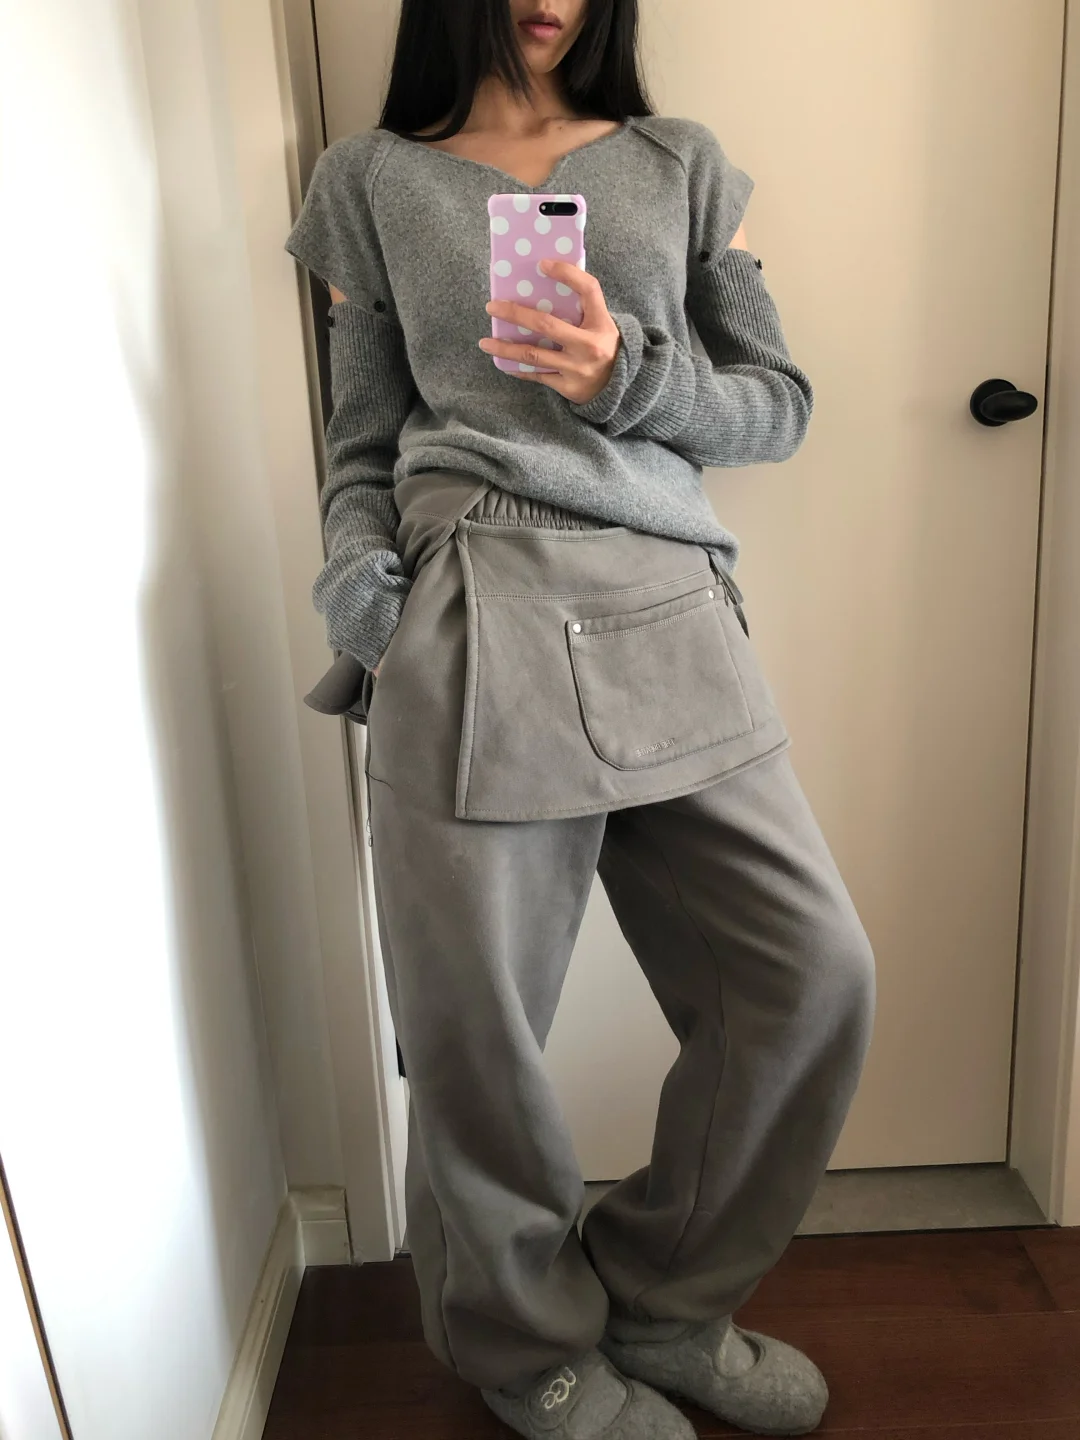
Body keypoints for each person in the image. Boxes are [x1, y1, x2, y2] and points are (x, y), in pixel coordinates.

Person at [285, 2, 876, 1436]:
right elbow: (360, 440)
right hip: (469, 597)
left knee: (808, 977)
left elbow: (780, 406)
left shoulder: (681, 163)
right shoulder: (370, 180)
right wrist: (368, 595)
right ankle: (525, 1347)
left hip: (668, 599)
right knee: (476, 1032)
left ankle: (666, 1304)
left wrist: (627, 379)